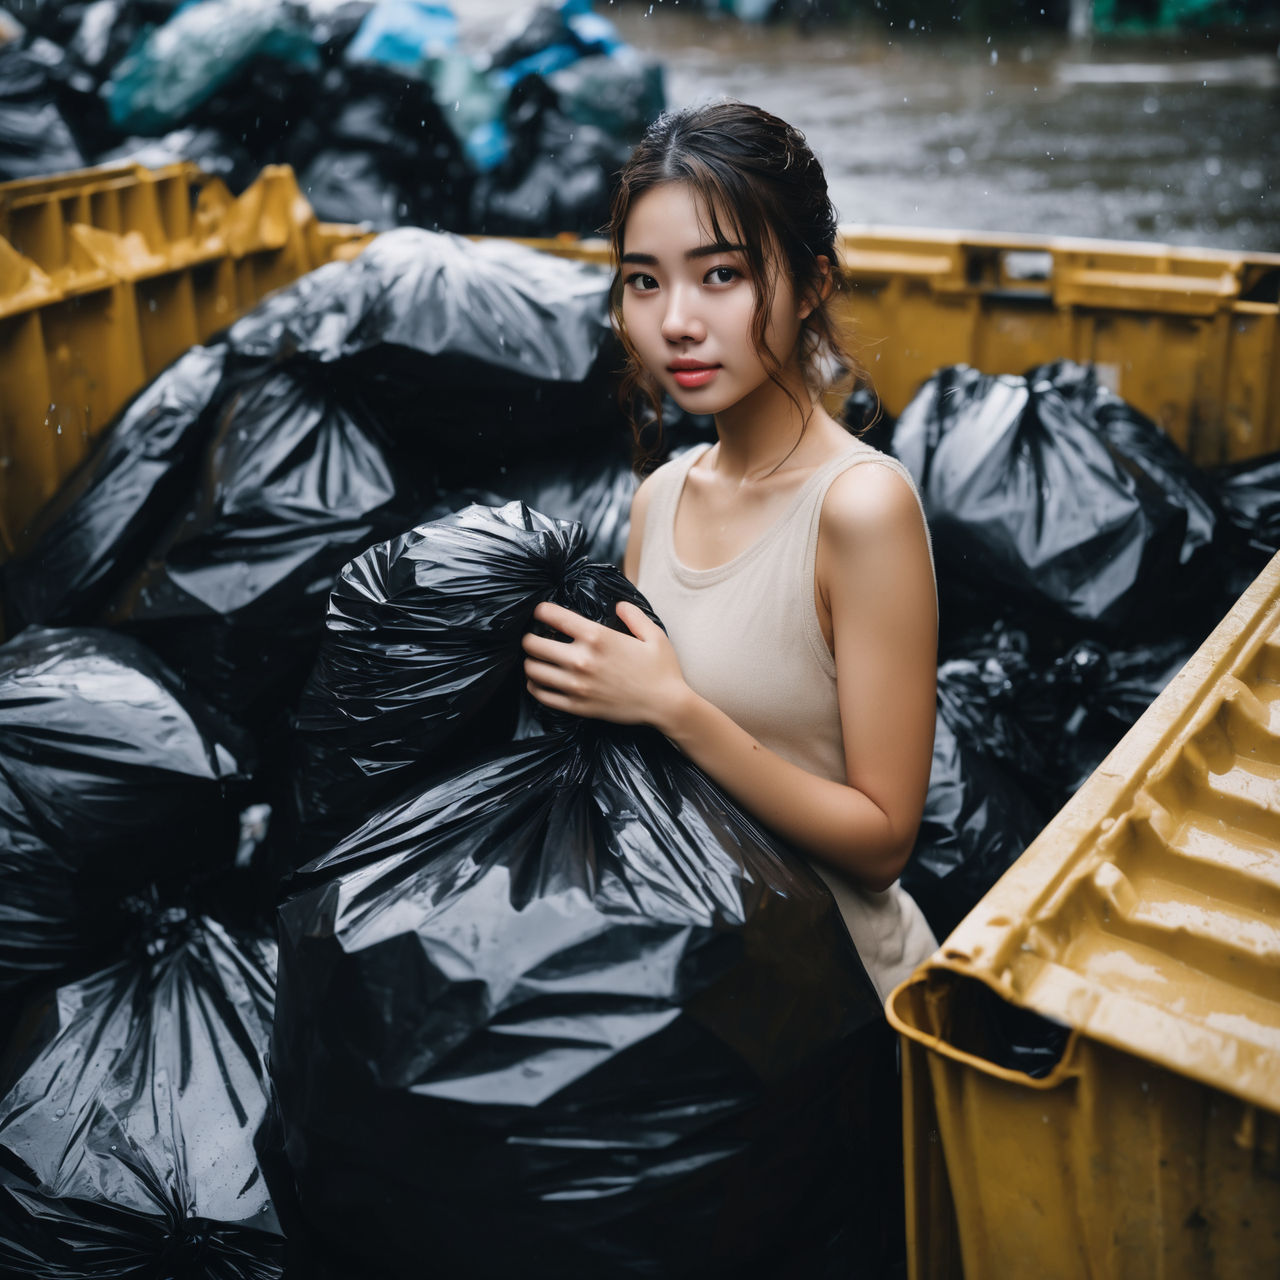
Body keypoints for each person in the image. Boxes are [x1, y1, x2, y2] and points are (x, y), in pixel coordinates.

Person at [521, 100, 938, 1001]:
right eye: (644, 281)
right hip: (693, 978)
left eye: (720, 275)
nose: (676, 320)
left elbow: (884, 841)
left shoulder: (861, 508)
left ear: (812, 284)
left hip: (839, 1002)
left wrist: (674, 708)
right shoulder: (661, 496)